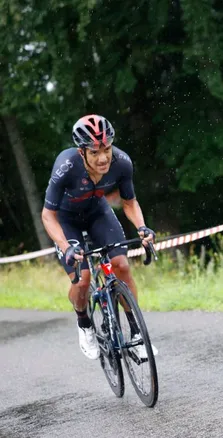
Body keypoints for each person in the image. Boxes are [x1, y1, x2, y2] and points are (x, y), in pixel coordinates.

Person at [41, 115, 158, 360]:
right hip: (66, 220)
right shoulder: (66, 166)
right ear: (81, 152)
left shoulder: (122, 162)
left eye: (106, 149)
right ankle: (84, 323)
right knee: (82, 280)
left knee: (121, 265)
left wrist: (142, 227)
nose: (103, 158)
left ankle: (136, 334)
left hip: (97, 213)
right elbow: (47, 216)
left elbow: (130, 202)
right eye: (94, 152)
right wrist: (65, 246)